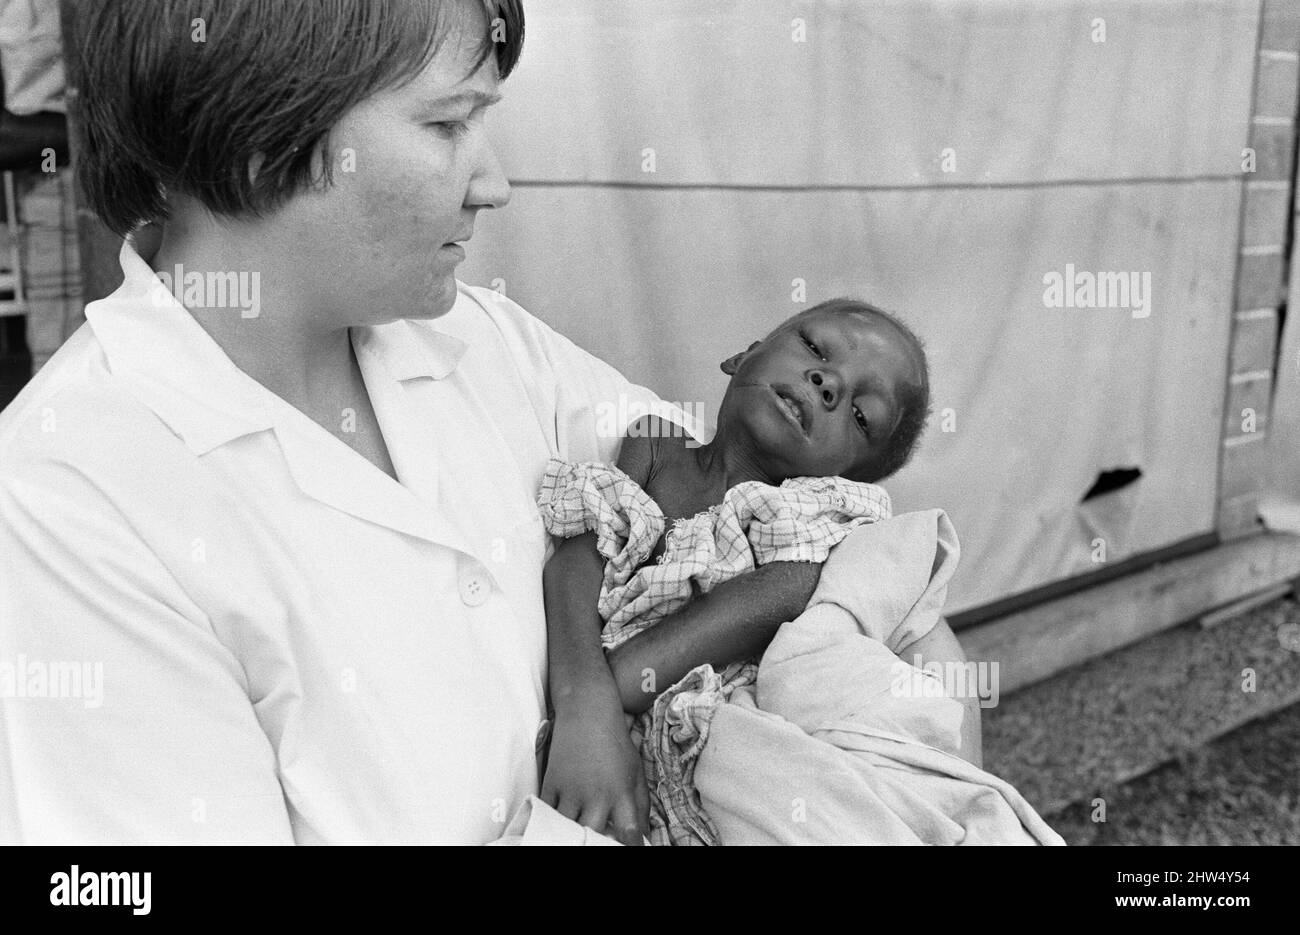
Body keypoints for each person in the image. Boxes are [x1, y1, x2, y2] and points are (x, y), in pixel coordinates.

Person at [0, 0, 975, 845]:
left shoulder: (482, 339)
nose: (492, 181)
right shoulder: (75, 501)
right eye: (446, 124)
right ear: (260, 137)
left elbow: (811, 546)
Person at [539, 299, 985, 842]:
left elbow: (725, 625)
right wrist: (583, 703)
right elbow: (576, 558)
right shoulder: (656, 445)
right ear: (743, 356)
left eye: (861, 415)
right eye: (816, 348)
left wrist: (588, 708)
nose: (829, 385)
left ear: (845, 479)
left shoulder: (811, 530)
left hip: (738, 747)